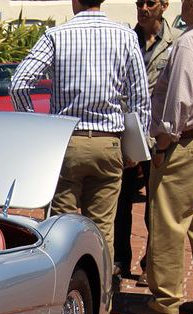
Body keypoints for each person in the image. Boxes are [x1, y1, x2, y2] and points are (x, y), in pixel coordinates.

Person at [10, 0, 151, 272]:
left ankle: (63, 300)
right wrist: (135, 149)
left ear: (75, 1)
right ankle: (103, 305)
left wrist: (37, 128)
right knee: (103, 231)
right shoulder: (126, 36)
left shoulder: (56, 35)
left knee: (59, 231)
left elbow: (19, 84)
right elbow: (140, 99)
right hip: (108, 142)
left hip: (66, 142)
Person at [130, 0, 193, 314]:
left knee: (168, 221)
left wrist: (163, 143)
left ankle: (165, 299)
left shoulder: (191, 40)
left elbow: (178, 99)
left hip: (187, 141)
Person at [114, 0, 178, 279]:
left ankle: (150, 266)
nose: (143, 8)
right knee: (120, 202)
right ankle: (119, 260)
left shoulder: (176, 42)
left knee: (156, 206)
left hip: (159, 135)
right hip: (127, 133)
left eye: (150, 3)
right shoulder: (126, 39)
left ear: (163, 6)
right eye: (139, 3)